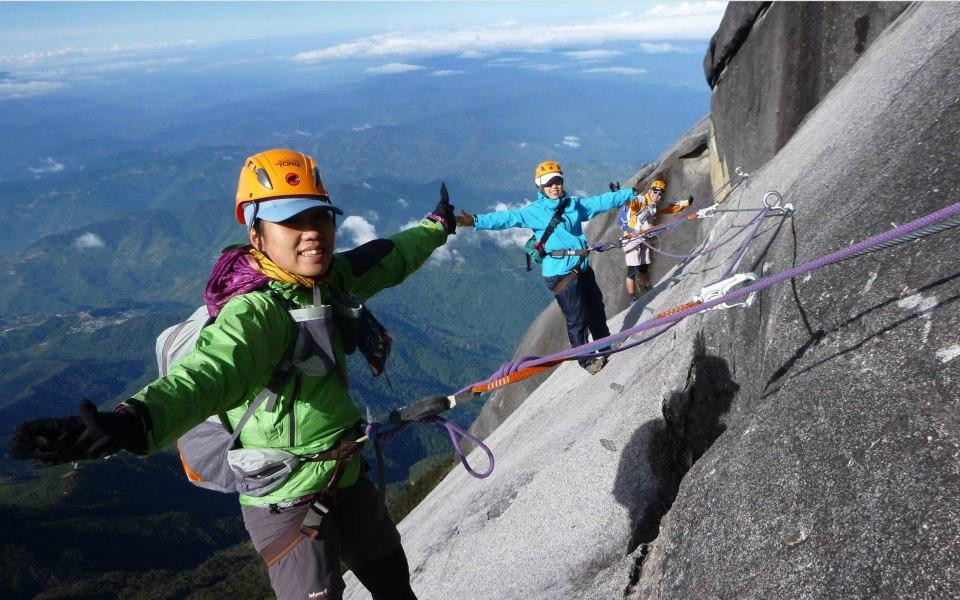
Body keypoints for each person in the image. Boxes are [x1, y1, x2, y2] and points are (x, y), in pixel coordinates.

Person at [7, 148, 458, 600]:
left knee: (395, 587)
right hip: (287, 500)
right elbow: (209, 373)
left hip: (346, 473)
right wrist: (136, 420)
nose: (312, 233)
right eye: (292, 222)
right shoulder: (256, 312)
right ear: (256, 234)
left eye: (320, 217)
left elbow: (389, 256)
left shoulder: (326, 280)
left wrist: (436, 226)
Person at [455, 160, 637, 375]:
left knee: (596, 308)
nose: (554, 186)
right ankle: (587, 360)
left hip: (581, 267)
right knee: (577, 318)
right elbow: (507, 218)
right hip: (560, 273)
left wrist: (629, 194)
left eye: (557, 181)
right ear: (540, 187)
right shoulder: (535, 211)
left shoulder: (572, 205)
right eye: (549, 183)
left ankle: (605, 346)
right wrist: (474, 221)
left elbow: (599, 202)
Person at [618, 174, 691, 301]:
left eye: (660, 193)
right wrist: (621, 194)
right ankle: (632, 298)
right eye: (655, 192)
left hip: (645, 238)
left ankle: (649, 290)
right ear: (650, 190)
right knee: (632, 270)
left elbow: (672, 208)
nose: (657, 195)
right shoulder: (641, 201)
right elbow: (631, 202)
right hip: (632, 239)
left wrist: (686, 203)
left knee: (643, 268)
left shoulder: (654, 206)